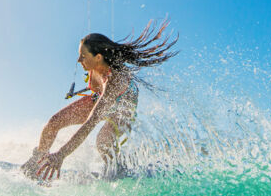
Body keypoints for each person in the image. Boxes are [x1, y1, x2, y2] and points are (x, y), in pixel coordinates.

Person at [21, 19, 178, 180]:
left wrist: (60, 155)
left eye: (83, 56)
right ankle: (36, 162)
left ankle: (119, 172)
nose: (78, 60)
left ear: (98, 57)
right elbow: (95, 99)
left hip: (122, 109)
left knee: (103, 142)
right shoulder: (92, 66)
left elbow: (90, 123)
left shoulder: (115, 80)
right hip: (99, 100)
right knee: (54, 122)